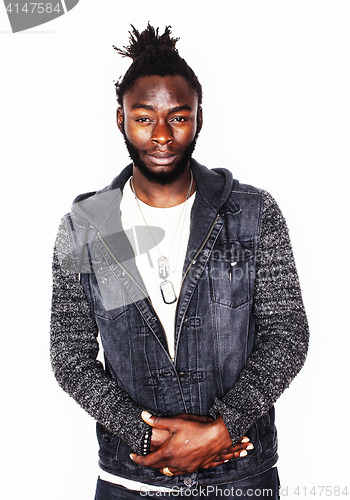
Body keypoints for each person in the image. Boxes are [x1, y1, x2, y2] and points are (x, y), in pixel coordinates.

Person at [50, 23, 309, 500]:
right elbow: (69, 354)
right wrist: (148, 436)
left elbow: (288, 334)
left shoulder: (251, 214)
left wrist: (223, 428)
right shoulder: (89, 224)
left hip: (240, 479)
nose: (163, 135)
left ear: (199, 119)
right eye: (144, 118)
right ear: (120, 119)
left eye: (179, 117)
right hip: (131, 480)